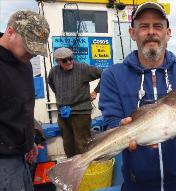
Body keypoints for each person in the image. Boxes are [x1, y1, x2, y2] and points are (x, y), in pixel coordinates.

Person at [99, 2, 176, 191]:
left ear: (168, 33)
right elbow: (109, 122)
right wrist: (120, 129)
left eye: (158, 26)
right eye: (144, 26)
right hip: (137, 185)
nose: (151, 32)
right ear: (132, 33)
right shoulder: (112, 75)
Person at [0, 10, 50, 191]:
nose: (33, 53)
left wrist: (30, 141)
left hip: (22, 157)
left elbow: (24, 108)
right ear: (10, 32)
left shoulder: (25, 64)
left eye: (37, 49)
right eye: (29, 45)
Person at [48, 47, 101, 158]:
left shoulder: (83, 68)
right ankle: (72, 167)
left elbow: (105, 75)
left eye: (70, 58)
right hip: (63, 113)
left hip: (81, 112)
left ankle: (85, 170)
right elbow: (51, 83)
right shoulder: (54, 71)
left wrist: (96, 91)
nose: (68, 62)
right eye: (64, 60)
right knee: (67, 143)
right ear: (57, 61)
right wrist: (61, 97)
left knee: (82, 143)